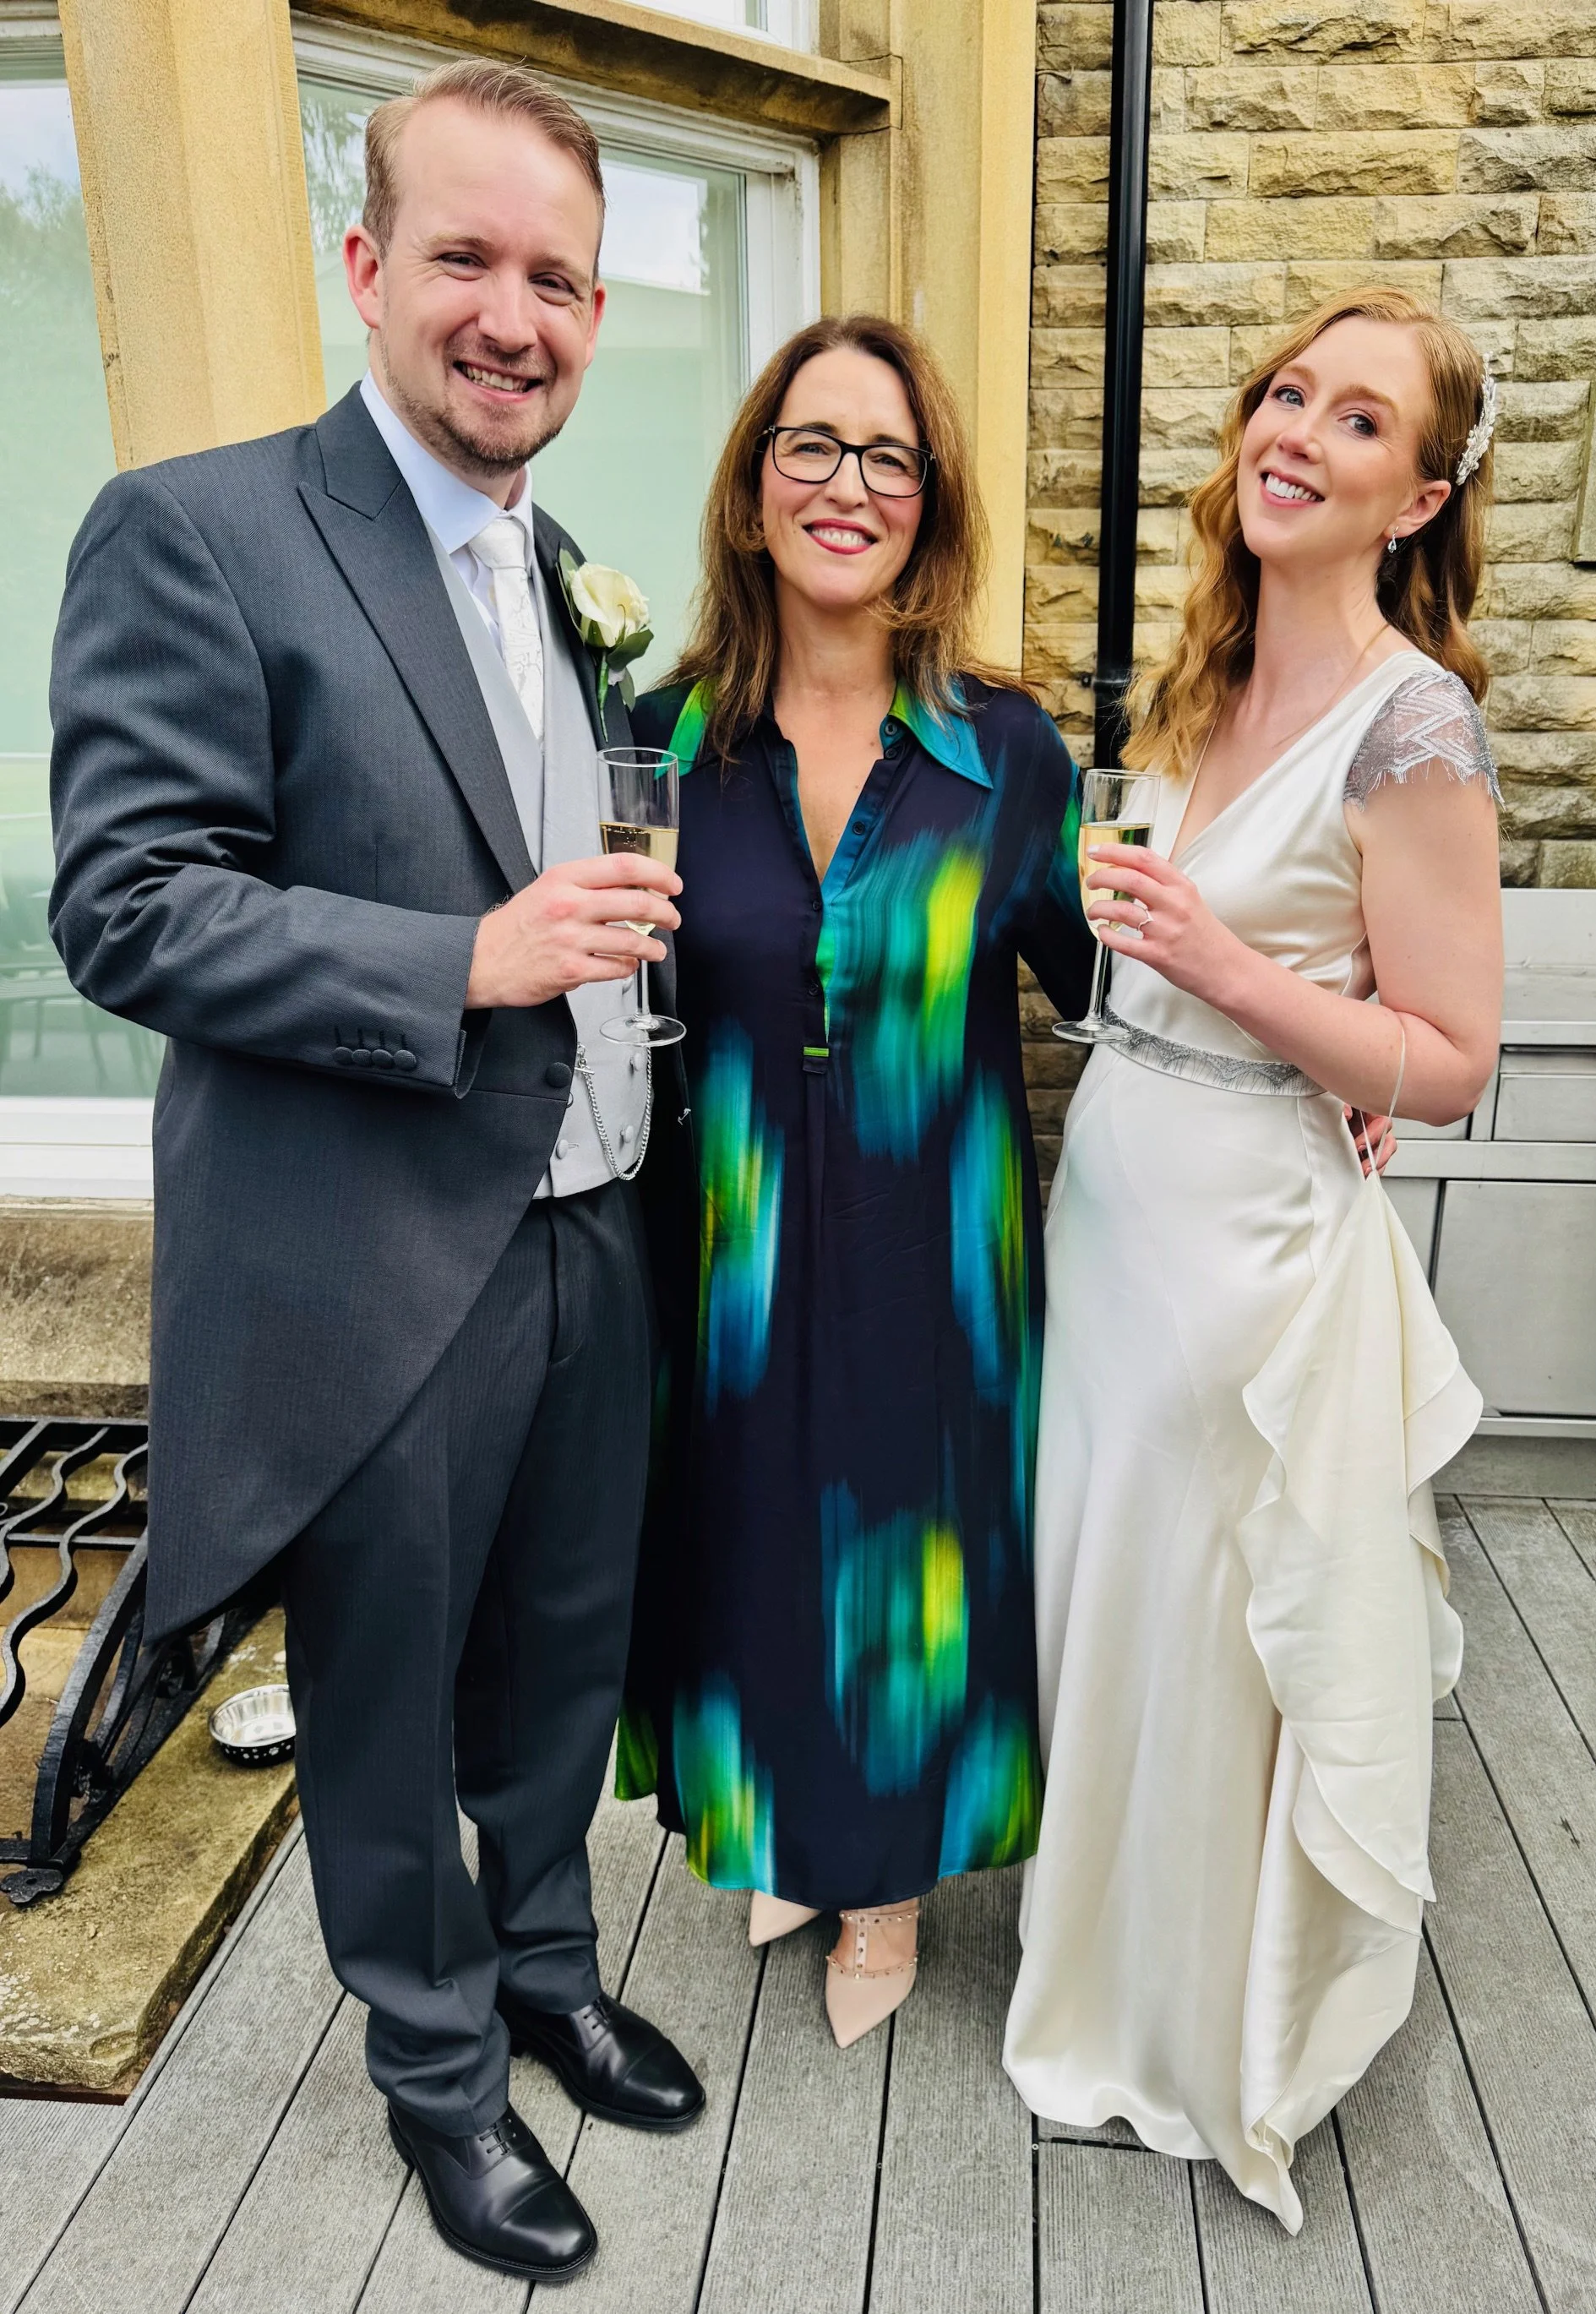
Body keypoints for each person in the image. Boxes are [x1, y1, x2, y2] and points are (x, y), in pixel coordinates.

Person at [49, 62, 701, 2286]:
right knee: (390, 1692)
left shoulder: (570, 573)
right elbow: (127, 903)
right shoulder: (199, 530)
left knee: (562, 1655)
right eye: (466, 258)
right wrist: (466, 957)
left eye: (560, 278)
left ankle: (547, 1971)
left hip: (596, 1221)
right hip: (383, 1258)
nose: (515, 316)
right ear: (365, 264)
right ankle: (436, 2069)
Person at [1002, 286, 1503, 2230]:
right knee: (1107, 1601)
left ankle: (1192, 2026)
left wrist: (1232, 975)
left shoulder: (1413, 721)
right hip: (1116, 1206)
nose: (1298, 429)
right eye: (1288, 392)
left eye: (1359, 418)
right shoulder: (1199, 679)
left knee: (1216, 1633)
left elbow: (1448, 1061)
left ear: (1418, 496)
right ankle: (1097, 1968)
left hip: (1249, 1261)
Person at [617, 315, 1097, 2044]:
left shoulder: (1006, 754)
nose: (848, 484)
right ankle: (783, 1833)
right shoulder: (656, 741)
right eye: (810, 446)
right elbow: (607, 995)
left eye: (888, 455)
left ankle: (881, 1884)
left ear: (930, 502)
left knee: (905, 1565)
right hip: (727, 1255)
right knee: (747, 1537)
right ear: (754, 489)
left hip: (931, 1258)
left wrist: (1324, 1062)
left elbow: (1112, 988)